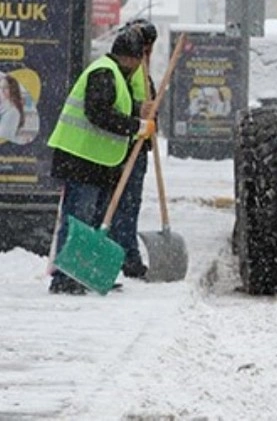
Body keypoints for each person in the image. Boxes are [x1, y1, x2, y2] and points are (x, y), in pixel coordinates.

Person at [46, 25, 156, 294]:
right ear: (129, 58)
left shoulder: (116, 74)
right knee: (78, 219)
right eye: (136, 60)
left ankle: (83, 273)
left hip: (96, 163)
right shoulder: (104, 73)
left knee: (93, 221)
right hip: (80, 159)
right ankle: (64, 277)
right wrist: (135, 126)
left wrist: (139, 116)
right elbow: (98, 113)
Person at [109, 19, 158, 280]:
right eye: (148, 48)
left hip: (134, 142)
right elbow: (128, 103)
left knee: (125, 205)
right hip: (128, 145)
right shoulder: (129, 67)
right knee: (124, 205)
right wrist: (141, 120)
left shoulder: (138, 68)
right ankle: (127, 258)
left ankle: (125, 256)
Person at [0, 73, 23, 142]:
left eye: (6, 88)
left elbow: (3, 135)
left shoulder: (13, 112)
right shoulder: (3, 107)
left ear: (12, 89)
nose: (2, 91)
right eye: (0, 88)